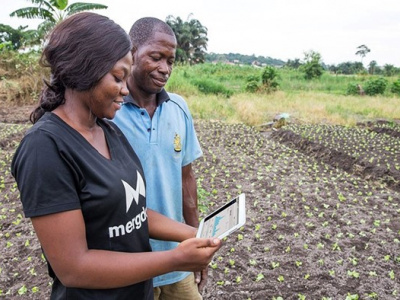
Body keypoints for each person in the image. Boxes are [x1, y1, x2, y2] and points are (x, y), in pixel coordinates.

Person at [11, 12, 221, 300]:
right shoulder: (45, 148)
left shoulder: (108, 130)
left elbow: (133, 212)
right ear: (86, 70)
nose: (125, 89)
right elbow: (74, 268)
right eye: (118, 77)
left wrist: (194, 233)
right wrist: (174, 260)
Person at [112, 17, 205, 299]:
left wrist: (196, 241)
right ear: (132, 51)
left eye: (171, 60)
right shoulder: (108, 111)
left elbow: (186, 178)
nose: (165, 69)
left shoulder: (179, 108)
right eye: (156, 57)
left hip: (177, 261)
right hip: (128, 265)